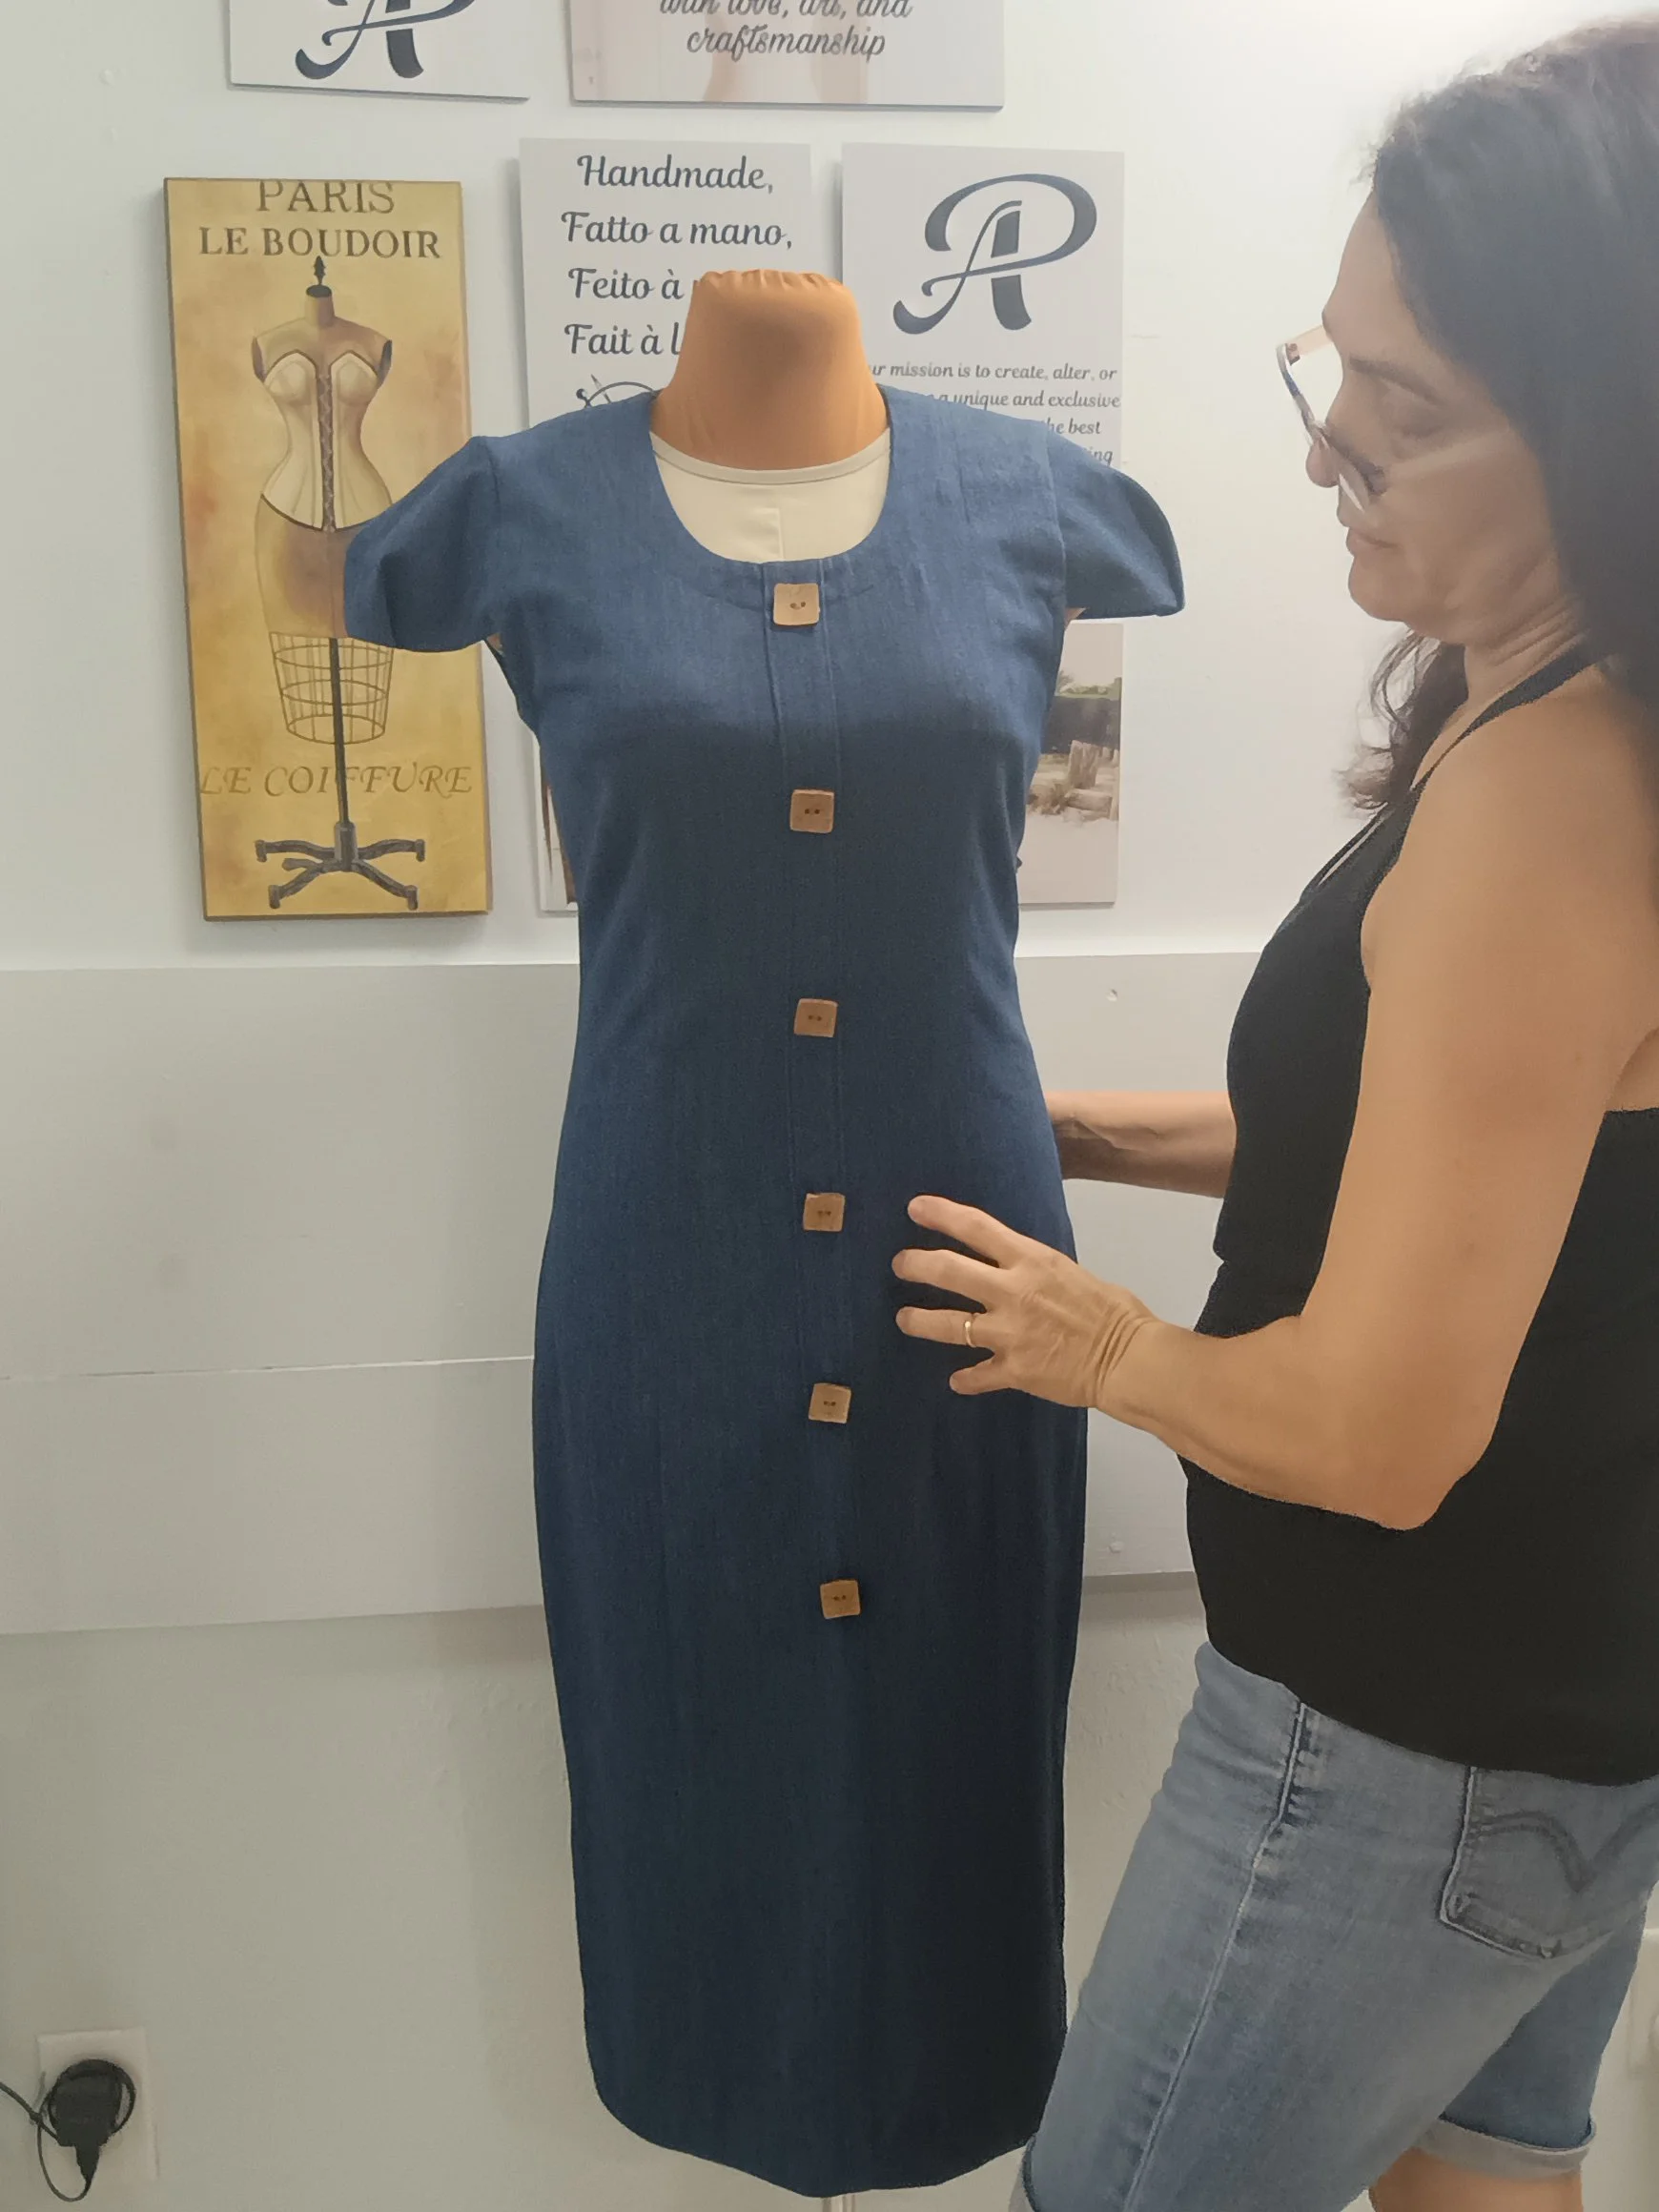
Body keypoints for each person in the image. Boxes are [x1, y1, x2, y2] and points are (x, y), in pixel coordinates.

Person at [892, 20, 1659, 2212]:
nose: (1332, 447)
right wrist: (1093, 1139)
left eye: (1403, 416)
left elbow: (1381, 1429)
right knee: (1486, 2187)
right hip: (1557, 1735)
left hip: (1399, 1770)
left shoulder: (1542, 803)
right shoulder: (1568, 716)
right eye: (1331, 370)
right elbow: (1464, 1165)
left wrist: (1102, 1347)